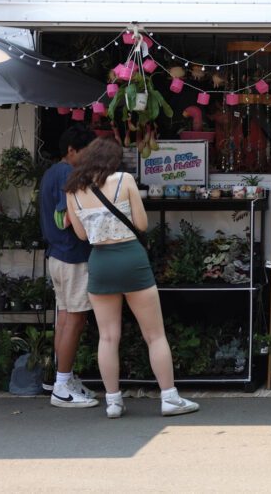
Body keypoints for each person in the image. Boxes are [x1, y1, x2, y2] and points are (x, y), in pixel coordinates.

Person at [64, 137, 199, 419]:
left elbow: (80, 235)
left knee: (108, 337)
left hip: (100, 261)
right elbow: (141, 224)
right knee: (154, 335)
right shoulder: (124, 179)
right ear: (114, 159)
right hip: (131, 259)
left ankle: (113, 402)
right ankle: (169, 398)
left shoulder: (73, 190)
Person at [39, 125, 99, 408]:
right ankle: (62, 385)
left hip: (57, 255)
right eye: (85, 154)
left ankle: (63, 378)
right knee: (74, 319)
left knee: (65, 318)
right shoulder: (68, 175)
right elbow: (67, 218)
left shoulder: (51, 173)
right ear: (72, 151)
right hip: (73, 255)